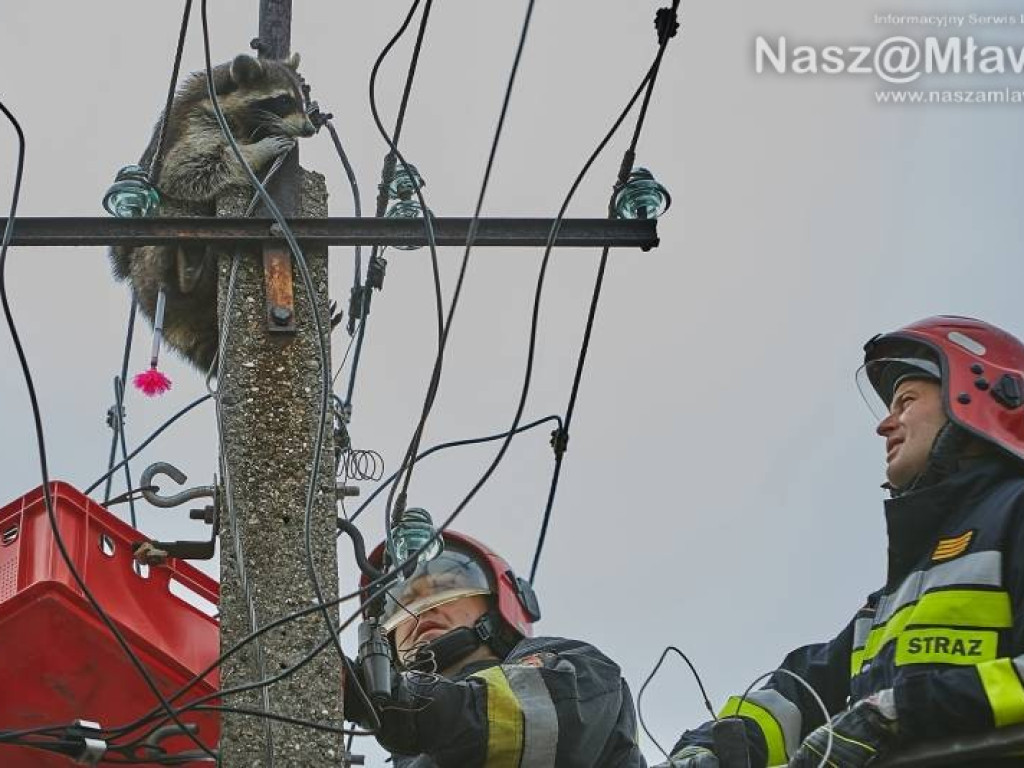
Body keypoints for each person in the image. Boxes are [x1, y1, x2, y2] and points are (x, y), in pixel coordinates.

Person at [660, 316, 1024, 768]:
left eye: (906, 402)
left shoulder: (1016, 512)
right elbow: (801, 693)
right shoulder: (891, 602)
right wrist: (713, 746)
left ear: (983, 398)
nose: (885, 425)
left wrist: (897, 714)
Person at [345, 528, 646, 767]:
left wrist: (367, 693)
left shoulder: (578, 672)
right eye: (400, 604)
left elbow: (509, 719)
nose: (419, 611)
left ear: (499, 604)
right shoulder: (409, 745)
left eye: (444, 587)